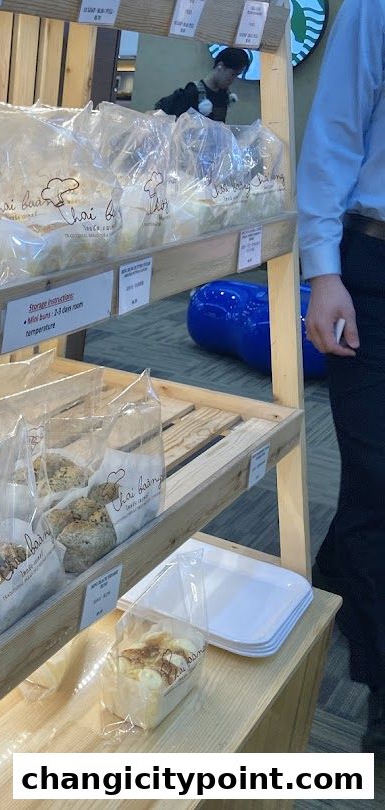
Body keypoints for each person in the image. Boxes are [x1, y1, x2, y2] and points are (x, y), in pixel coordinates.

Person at [298, 0, 385, 756]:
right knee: (379, 473)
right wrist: (323, 271)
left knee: (370, 488)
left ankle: (335, 576)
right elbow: (334, 130)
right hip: (376, 266)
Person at [153, 47, 251, 122]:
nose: (233, 80)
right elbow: (175, 125)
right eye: (232, 74)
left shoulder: (224, 93)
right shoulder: (193, 91)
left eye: (236, 75)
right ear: (220, 66)